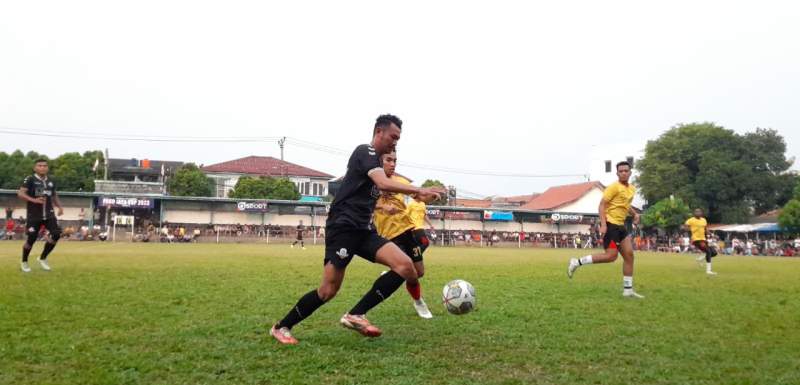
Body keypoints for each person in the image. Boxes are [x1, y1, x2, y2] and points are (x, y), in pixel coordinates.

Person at [269, 114, 444, 345]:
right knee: (327, 291)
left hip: (363, 230)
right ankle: (281, 327)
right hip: (343, 228)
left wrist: (420, 197)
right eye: (393, 136)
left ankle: (356, 314)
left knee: (406, 267)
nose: (395, 142)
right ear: (378, 132)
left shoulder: (381, 166)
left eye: (399, 138)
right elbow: (382, 183)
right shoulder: (365, 152)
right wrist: (417, 190)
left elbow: (386, 187)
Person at [568, 161, 644, 298]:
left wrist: (634, 214)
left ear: (630, 172)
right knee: (611, 256)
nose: (623, 173)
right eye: (621, 171)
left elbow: (625, 204)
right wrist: (603, 224)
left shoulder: (632, 189)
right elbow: (602, 205)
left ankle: (628, 291)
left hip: (621, 226)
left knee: (629, 256)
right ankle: (576, 262)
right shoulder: (613, 187)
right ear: (617, 173)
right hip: (610, 225)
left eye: (626, 170)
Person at [374, 150, 433, 318]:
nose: (392, 164)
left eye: (395, 161)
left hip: (407, 230)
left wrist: (432, 197)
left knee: (418, 272)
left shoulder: (400, 182)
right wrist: (382, 207)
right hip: (389, 235)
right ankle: (419, 301)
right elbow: (363, 204)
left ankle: (393, 274)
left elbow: (418, 197)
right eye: (388, 160)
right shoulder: (371, 182)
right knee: (406, 269)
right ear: (379, 161)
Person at [17, 159, 63, 272]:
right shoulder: (30, 179)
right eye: (40, 165)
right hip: (34, 215)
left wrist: (60, 207)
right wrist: (34, 200)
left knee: (56, 234)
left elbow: (54, 195)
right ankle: (24, 262)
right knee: (31, 239)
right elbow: (20, 193)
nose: (42, 167)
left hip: (49, 214)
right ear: (35, 168)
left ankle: (42, 258)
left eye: (45, 166)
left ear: (47, 168)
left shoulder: (51, 181)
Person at [683, 208, 717, 275]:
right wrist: (689, 229)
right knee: (708, 251)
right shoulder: (691, 220)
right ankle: (708, 271)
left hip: (703, 239)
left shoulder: (704, 220)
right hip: (696, 239)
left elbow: (705, 229)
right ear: (694, 213)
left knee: (714, 253)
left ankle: (701, 259)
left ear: (701, 213)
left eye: (699, 212)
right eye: (696, 212)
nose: (698, 213)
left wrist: (711, 234)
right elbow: (685, 227)